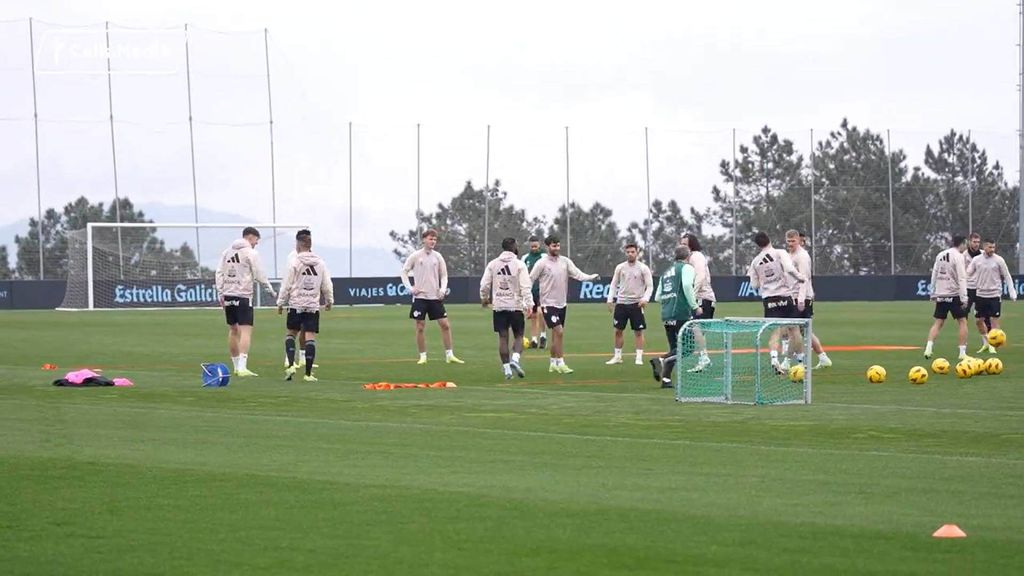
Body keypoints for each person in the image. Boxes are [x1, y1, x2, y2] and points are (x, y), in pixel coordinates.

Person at [529, 234, 601, 374]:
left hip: (562, 303)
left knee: (556, 335)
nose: (557, 248)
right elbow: (530, 279)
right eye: (554, 245)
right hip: (548, 304)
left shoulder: (565, 261)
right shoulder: (542, 263)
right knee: (559, 331)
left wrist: (591, 277)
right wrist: (527, 298)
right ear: (548, 246)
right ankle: (561, 362)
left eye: (558, 245)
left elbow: (578, 274)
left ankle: (552, 363)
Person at [215, 226, 277, 377]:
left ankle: (236, 367)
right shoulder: (250, 252)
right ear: (250, 237)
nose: (256, 244)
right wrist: (271, 290)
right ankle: (242, 368)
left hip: (228, 295)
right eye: (256, 240)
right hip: (243, 295)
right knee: (246, 330)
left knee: (233, 330)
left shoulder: (226, 252)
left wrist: (221, 292)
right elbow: (259, 274)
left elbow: (219, 273)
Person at [747, 231, 806, 374]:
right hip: (784, 296)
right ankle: (801, 363)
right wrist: (800, 277)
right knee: (795, 330)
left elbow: (754, 285)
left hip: (768, 299)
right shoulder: (779, 252)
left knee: (775, 331)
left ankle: (774, 359)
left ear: (758, 245)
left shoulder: (755, 262)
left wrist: (764, 280)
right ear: (769, 240)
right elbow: (789, 268)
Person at [400, 228, 463, 364]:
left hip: (435, 297)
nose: (433, 241)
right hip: (420, 297)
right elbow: (404, 272)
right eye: (430, 239)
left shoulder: (438, 257)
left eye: (434, 239)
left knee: (445, 325)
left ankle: (449, 355)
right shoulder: (415, 256)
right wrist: (410, 288)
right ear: (424, 240)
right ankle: (423, 356)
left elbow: (444, 275)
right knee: (420, 326)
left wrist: (442, 289)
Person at [277, 233, 333, 381]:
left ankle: (290, 366)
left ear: (299, 245)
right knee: (310, 337)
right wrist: (329, 300)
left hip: (296, 304)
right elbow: (326, 284)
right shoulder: (320, 263)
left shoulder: (295, 262)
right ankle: (308, 374)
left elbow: (287, 284)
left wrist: (281, 302)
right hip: (312, 306)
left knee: (291, 334)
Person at [480, 237, 534, 379]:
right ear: (514, 247)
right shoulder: (519, 264)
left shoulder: (493, 264)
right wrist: (529, 304)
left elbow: (484, 283)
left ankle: (507, 369)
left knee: (503, 337)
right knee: (519, 336)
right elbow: (525, 286)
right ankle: (515, 360)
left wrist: (484, 298)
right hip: (515, 305)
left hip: (499, 305)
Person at [649, 245, 700, 388]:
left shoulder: (666, 272)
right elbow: (687, 286)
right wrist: (695, 306)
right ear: (687, 256)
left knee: (674, 348)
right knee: (688, 348)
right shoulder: (687, 268)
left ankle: (666, 380)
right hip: (680, 313)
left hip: (666, 314)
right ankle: (660, 360)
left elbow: (658, 296)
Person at [785, 230, 831, 369]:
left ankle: (787, 362)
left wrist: (800, 300)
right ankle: (823, 358)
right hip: (794, 297)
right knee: (805, 331)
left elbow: (804, 279)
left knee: (793, 330)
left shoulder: (802, 256)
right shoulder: (789, 255)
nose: (790, 244)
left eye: (793, 241)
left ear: (799, 240)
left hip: (801, 298)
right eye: (788, 241)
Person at [965, 239, 1017, 354]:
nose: (992, 250)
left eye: (993, 247)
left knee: (994, 320)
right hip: (980, 294)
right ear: (984, 247)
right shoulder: (977, 260)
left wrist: (1012, 291)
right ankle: (986, 343)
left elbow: (1007, 276)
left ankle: (993, 345)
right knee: (979, 320)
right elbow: (967, 273)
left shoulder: (999, 260)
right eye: (989, 247)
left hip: (994, 294)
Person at [605, 243, 653, 365]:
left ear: (637, 252)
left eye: (632, 252)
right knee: (618, 330)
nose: (630, 254)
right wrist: (610, 299)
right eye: (628, 252)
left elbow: (650, 286)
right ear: (625, 253)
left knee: (638, 331)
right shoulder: (620, 267)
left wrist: (645, 299)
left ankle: (638, 357)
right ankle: (617, 356)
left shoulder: (643, 268)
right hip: (621, 303)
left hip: (636, 304)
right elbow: (614, 284)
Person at [923, 235, 969, 360]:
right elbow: (962, 278)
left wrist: (933, 292)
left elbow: (934, 273)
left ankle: (928, 348)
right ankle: (962, 353)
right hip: (953, 294)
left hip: (941, 294)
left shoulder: (940, 255)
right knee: (962, 321)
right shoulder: (959, 256)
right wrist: (964, 297)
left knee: (938, 322)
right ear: (963, 243)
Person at [682, 233, 715, 372]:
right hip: (699, 298)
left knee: (696, 328)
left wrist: (692, 296)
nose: (682, 247)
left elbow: (700, 276)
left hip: (704, 298)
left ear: (691, 245)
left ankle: (704, 358)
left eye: (685, 244)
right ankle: (704, 357)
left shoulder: (697, 256)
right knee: (697, 331)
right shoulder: (687, 259)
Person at [284, 229, 316, 369]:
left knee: (306, 329)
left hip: (309, 299)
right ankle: (288, 359)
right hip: (295, 299)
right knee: (293, 330)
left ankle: (303, 358)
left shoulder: (313, 257)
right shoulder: (292, 257)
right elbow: (289, 278)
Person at [521, 236, 547, 349]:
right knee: (533, 315)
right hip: (530, 291)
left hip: (543, 289)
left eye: (536, 246)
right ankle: (534, 340)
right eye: (532, 246)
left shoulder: (544, 256)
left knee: (541, 313)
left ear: (539, 245)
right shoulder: (525, 258)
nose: (534, 248)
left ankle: (543, 336)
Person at [964, 232, 982, 322]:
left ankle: (985, 335)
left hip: (980, 288)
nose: (976, 244)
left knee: (982, 315)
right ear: (969, 242)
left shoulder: (983, 254)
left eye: (978, 242)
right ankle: (964, 334)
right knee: (964, 313)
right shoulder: (963, 255)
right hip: (968, 288)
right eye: (974, 242)